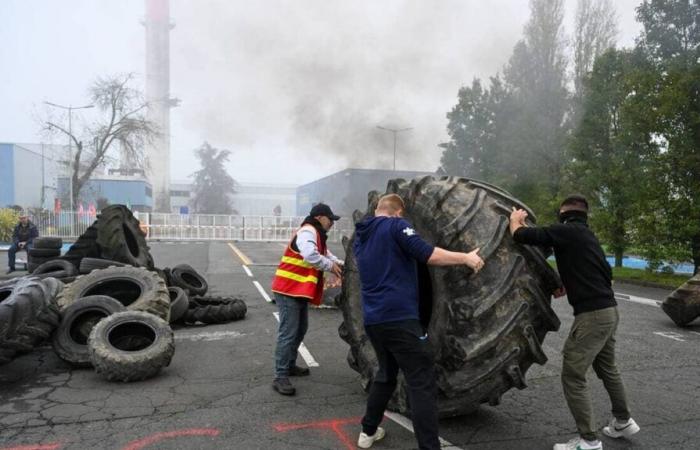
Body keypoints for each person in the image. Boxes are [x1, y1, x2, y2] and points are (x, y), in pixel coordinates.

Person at [353, 194, 484, 450]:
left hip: (374, 321)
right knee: (421, 382)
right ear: (398, 212)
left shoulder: (361, 237)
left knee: (386, 374)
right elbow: (428, 255)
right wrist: (465, 258)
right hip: (400, 319)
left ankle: (367, 432)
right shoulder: (397, 225)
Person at [509, 195, 640, 450]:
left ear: (563, 213)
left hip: (591, 316)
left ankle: (588, 441)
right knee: (607, 368)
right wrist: (569, 283)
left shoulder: (564, 231)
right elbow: (606, 275)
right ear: (585, 215)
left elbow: (522, 236)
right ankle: (623, 420)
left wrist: (516, 220)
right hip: (609, 312)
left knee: (573, 375)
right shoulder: (589, 238)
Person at [270, 203, 344, 396]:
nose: (332, 224)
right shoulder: (308, 231)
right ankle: (280, 376)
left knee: (300, 329)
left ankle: (290, 364)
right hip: (288, 290)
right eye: (330, 220)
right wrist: (330, 266)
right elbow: (311, 255)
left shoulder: (316, 235)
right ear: (320, 217)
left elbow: (325, 254)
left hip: (298, 291)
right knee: (288, 332)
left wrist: (342, 264)